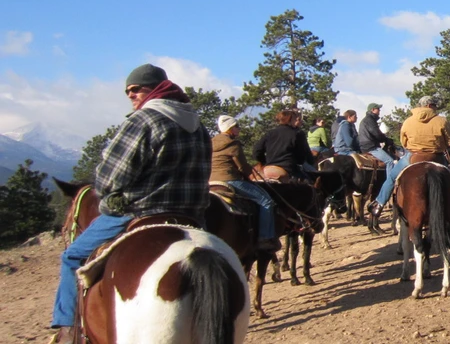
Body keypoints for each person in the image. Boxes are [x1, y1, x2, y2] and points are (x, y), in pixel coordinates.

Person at [51, 64, 211, 343]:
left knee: (72, 257)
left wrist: (111, 197)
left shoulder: (144, 120)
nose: (131, 94)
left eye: (137, 88)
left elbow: (110, 176)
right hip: (192, 216)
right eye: (128, 90)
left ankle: (67, 328)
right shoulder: (198, 124)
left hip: (141, 211)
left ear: (157, 88)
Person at [211, 115, 279, 250]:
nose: (239, 129)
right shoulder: (233, 144)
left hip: (211, 181)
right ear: (230, 129)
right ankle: (265, 237)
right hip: (230, 180)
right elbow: (242, 166)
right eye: (237, 126)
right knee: (266, 201)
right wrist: (251, 175)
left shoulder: (210, 143)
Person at [362, 103, 410, 216]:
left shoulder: (368, 119)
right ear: (373, 110)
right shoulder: (370, 120)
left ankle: (380, 202)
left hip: (368, 144)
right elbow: (376, 134)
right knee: (390, 161)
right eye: (378, 109)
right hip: (370, 146)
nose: (379, 111)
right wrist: (387, 140)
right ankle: (390, 180)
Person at [253, 109, 315, 181]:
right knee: (311, 181)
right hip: (288, 169)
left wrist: (266, 162)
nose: (295, 121)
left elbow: (256, 152)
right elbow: (302, 157)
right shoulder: (298, 134)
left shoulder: (270, 133)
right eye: (294, 119)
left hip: (268, 169)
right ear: (289, 120)